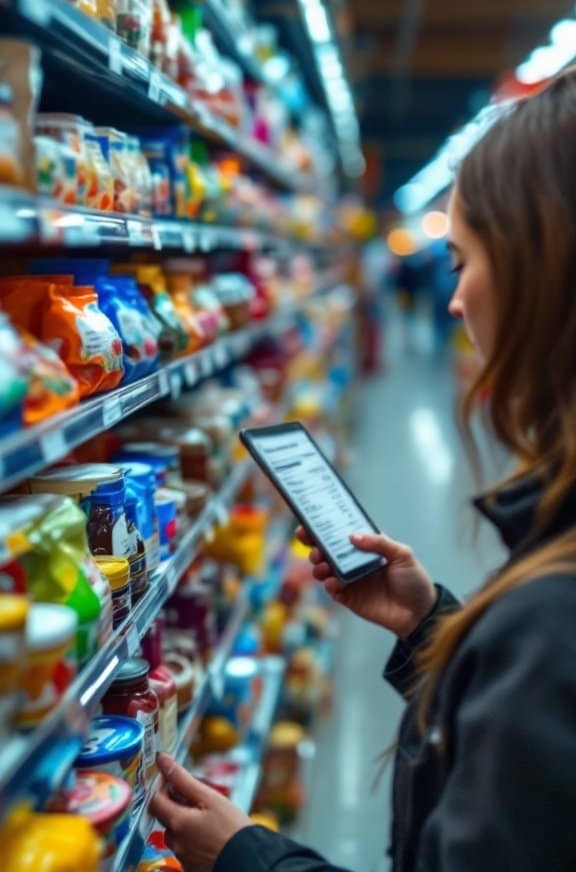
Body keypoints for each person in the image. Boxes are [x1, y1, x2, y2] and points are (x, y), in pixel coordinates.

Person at [149, 71, 576, 871]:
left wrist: (247, 858)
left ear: (537, 277)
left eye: (459, 263)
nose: (452, 301)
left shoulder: (550, 622)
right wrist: (432, 628)